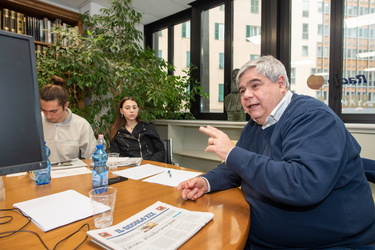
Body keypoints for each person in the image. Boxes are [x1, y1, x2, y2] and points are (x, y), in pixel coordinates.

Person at [177, 56, 375, 249]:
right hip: (256, 236)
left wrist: (232, 153)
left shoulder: (313, 117)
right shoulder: (255, 124)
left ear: (281, 84)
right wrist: (206, 181)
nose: (245, 95)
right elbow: (236, 167)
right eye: (243, 90)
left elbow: (302, 185)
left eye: (255, 86)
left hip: (330, 243)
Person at [40, 84, 97, 163]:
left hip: (71, 172)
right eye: (44, 110)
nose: (48, 116)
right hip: (41, 173)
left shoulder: (81, 125)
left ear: (66, 105)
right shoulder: (36, 122)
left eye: (53, 111)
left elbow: (92, 157)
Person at [109, 97, 165, 163]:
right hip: (128, 168)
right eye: (127, 108)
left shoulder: (148, 127)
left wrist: (149, 164)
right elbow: (115, 156)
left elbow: (161, 151)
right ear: (121, 111)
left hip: (149, 165)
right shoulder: (116, 131)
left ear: (138, 109)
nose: (132, 111)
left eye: (134, 108)